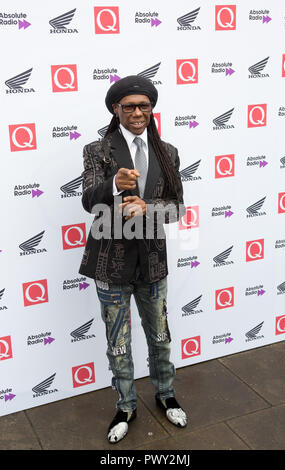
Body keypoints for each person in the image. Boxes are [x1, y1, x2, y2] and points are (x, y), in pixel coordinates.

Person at [79, 75, 187, 443]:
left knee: (160, 336)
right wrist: (113, 185)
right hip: (110, 263)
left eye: (144, 106)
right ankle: (125, 405)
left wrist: (149, 207)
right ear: (116, 109)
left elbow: (178, 209)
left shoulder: (167, 151)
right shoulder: (98, 151)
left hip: (153, 263)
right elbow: (88, 201)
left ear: (152, 109)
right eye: (130, 107)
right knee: (119, 341)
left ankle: (165, 393)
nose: (138, 112)